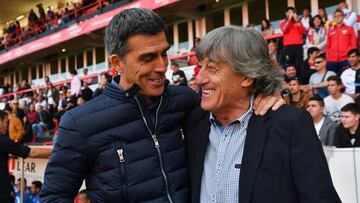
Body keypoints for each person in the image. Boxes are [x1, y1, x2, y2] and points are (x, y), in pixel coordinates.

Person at [40, 8, 282, 202]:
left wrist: (265, 93)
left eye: (163, 53)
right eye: (147, 58)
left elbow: (234, 97)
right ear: (117, 62)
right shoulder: (79, 124)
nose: (161, 66)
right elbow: (53, 197)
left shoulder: (185, 101)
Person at [186, 25, 340, 203]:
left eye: (212, 69)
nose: (199, 79)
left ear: (246, 77)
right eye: (200, 67)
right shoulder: (193, 121)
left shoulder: (289, 124)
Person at [0, 110, 52, 203]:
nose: (6, 126)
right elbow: (32, 153)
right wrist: (57, 151)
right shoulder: (2, 141)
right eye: (5, 122)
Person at [326, 9, 357, 73]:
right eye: (335, 16)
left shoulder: (349, 29)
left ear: (343, 17)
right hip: (332, 60)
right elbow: (328, 46)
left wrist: (352, 57)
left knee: (346, 80)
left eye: (339, 15)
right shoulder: (330, 31)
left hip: (346, 59)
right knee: (332, 80)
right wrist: (328, 58)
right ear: (334, 18)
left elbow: (353, 44)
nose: (337, 17)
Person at [280, 7, 305, 74]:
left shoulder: (298, 21)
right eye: (290, 12)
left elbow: (302, 31)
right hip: (288, 47)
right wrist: (289, 19)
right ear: (286, 13)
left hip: (298, 46)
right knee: (290, 65)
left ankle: (299, 80)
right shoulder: (283, 23)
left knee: (299, 64)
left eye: (293, 12)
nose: (292, 14)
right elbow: (284, 29)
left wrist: (298, 21)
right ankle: (291, 81)